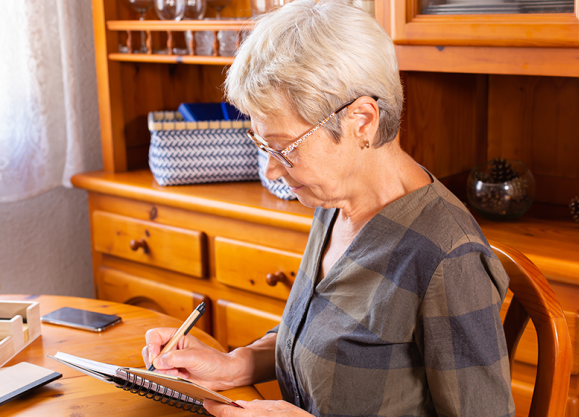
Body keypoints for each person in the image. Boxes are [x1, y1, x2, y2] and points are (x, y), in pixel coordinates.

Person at [142, 0, 515, 415]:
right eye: (262, 143)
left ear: (362, 121)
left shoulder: (448, 259)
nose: (272, 168)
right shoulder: (334, 201)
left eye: (283, 147)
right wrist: (233, 365)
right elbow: (322, 335)